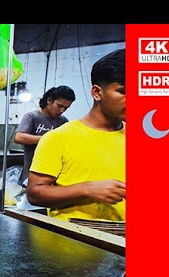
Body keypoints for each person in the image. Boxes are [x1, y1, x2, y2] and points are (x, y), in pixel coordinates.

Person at [27, 49, 125, 222]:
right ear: (97, 92)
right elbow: (35, 194)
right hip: (74, 241)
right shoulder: (58, 137)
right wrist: (88, 189)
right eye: (123, 91)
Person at [14, 85, 76, 187]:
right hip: (32, 174)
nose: (62, 111)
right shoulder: (32, 117)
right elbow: (18, 137)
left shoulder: (62, 120)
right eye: (59, 106)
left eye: (66, 108)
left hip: (53, 175)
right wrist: (49, 138)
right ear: (49, 100)